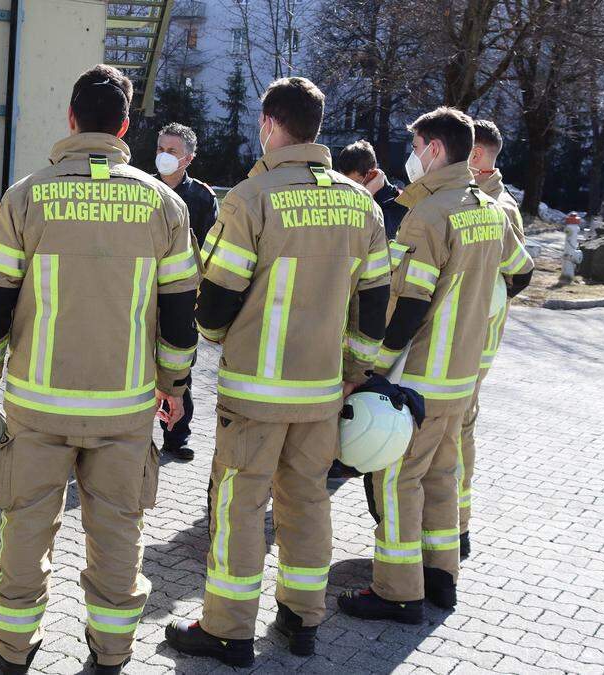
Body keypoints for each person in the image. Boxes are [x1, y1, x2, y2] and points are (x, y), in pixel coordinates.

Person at [0, 64, 199, 674]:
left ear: (70, 120)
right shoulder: (165, 205)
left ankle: (10, 652)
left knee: (23, 535)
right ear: (124, 125)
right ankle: (112, 655)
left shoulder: (25, 197)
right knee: (119, 538)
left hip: (39, 407)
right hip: (124, 411)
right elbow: (179, 316)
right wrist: (173, 389)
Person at [164, 77, 390, 665]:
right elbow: (376, 301)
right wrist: (357, 369)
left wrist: (215, 338)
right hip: (322, 393)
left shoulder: (251, 197)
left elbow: (214, 301)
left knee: (239, 508)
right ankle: (302, 619)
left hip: (254, 396)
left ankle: (228, 630)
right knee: (307, 503)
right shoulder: (359, 201)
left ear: (269, 124)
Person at [338, 107, 533, 623]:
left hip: (417, 379)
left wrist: (371, 367)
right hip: (462, 377)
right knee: (443, 476)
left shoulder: (429, 214)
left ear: (434, 150)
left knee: (397, 480)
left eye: (417, 145)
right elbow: (521, 273)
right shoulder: (488, 207)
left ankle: (398, 591)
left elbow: (409, 304)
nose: (412, 155)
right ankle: (441, 579)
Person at [459, 119, 533, 558]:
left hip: (469, 348)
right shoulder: (479, 201)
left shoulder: (497, 208)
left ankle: (456, 529)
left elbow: (515, 278)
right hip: (465, 346)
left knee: (457, 438)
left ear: (477, 157)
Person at [153, 122, 217, 461]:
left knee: (178, 368)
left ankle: (176, 437)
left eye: (172, 151)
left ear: (188, 159)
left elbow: (209, 252)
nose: (164, 156)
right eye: (160, 148)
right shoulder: (142, 190)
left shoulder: (202, 198)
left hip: (180, 299)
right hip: (145, 295)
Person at [335, 139, 408, 240]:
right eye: (344, 182)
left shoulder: (399, 204)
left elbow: (373, 238)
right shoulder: (337, 197)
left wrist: (366, 195)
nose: (348, 188)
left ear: (372, 174)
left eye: (355, 183)